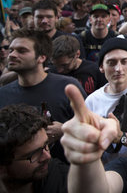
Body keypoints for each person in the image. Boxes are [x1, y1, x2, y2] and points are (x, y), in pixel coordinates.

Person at [0, 29, 86, 163]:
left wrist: (65, 130)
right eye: (11, 50)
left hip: (66, 172)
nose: (12, 55)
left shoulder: (68, 87)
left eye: (22, 51)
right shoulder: (3, 94)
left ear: (42, 57)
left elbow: (90, 127)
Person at [84, 37, 127, 163]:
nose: (118, 69)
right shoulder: (91, 101)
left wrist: (120, 137)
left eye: (124, 61)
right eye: (111, 63)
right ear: (101, 67)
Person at [0, 104, 69, 193]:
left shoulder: (63, 179)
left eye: (46, 145)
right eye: (34, 154)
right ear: (2, 167)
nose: (47, 156)